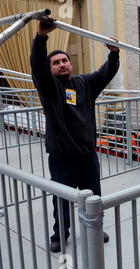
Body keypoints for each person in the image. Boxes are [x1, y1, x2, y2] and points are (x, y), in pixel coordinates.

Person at [30, 16, 120, 252]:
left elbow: (106, 73)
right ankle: (60, 234)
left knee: (94, 198)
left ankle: (95, 229)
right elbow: (37, 67)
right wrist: (41, 38)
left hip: (87, 155)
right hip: (62, 158)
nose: (61, 64)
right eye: (56, 62)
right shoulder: (50, 88)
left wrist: (114, 54)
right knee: (62, 200)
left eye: (65, 60)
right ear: (51, 68)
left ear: (71, 64)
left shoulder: (85, 83)